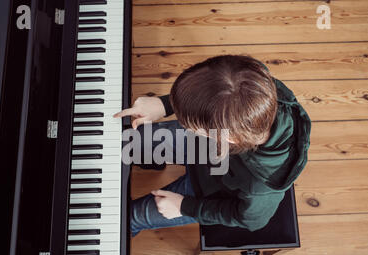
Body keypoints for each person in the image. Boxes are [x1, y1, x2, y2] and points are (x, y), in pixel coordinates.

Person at [114, 55, 311, 237]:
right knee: (131, 140)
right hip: (206, 148)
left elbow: (251, 220)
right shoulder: (253, 79)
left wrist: (185, 207)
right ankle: (150, 163)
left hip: (206, 192)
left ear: (230, 137)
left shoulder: (262, 187)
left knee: (131, 217)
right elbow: (214, 95)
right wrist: (165, 105)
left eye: (190, 125)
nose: (184, 125)